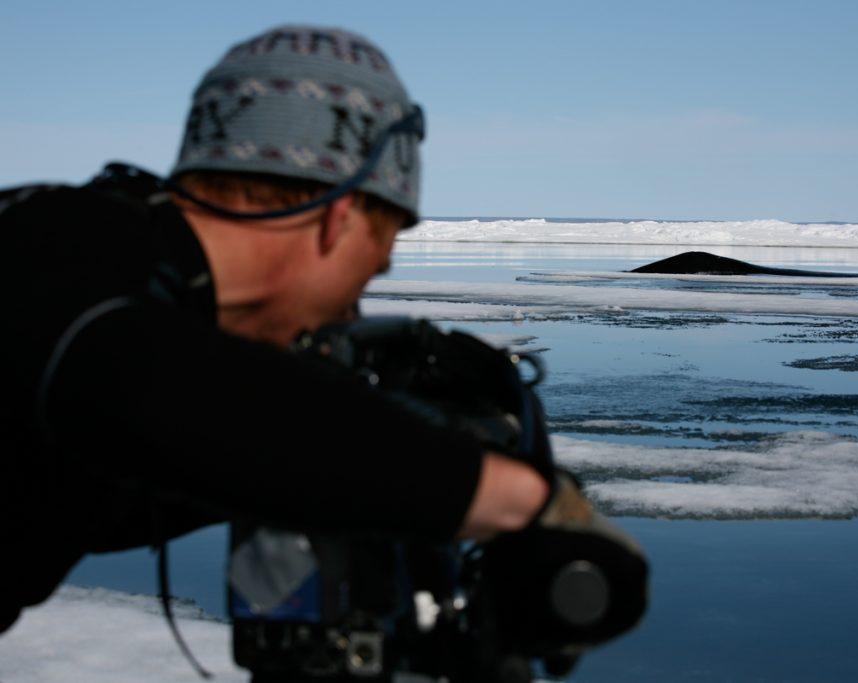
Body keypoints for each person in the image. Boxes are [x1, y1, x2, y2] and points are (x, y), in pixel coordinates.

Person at [0, 24, 550, 635]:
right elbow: (143, 388)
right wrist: (508, 496)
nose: (353, 311)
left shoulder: (95, 261)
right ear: (339, 218)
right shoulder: (54, 257)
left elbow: (118, 476)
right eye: (378, 258)